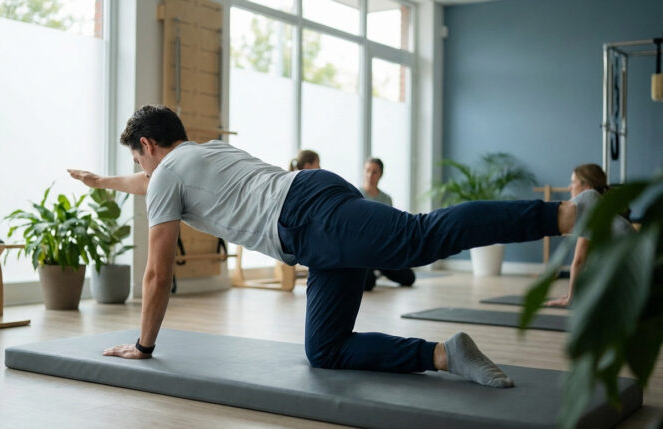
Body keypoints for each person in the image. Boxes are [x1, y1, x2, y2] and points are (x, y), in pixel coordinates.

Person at [69, 104, 578, 388]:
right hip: (313, 211)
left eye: (136, 160)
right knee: (326, 349)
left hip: (308, 219)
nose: (139, 171)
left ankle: (562, 214)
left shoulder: (163, 176)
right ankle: (447, 354)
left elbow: (157, 274)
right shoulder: (204, 151)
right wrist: (107, 181)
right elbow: (149, 182)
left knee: (419, 238)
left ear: (149, 148)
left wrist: (144, 346)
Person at [545, 164, 635, 307]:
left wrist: (571, 299)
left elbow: (579, 261)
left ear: (586, 187)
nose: (570, 187)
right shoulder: (605, 205)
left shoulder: (590, 208)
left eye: (573, 182)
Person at [359, 158, 416, 290]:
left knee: (409, 278)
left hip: (382, 250)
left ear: (380, 175)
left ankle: (379, 269)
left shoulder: (386, 199)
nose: (370, 175)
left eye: (374, 172)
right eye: (367, 171)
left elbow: (389, 227)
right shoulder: (357, 194)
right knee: (368, 283)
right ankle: (373, 271)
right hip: (363, 252)